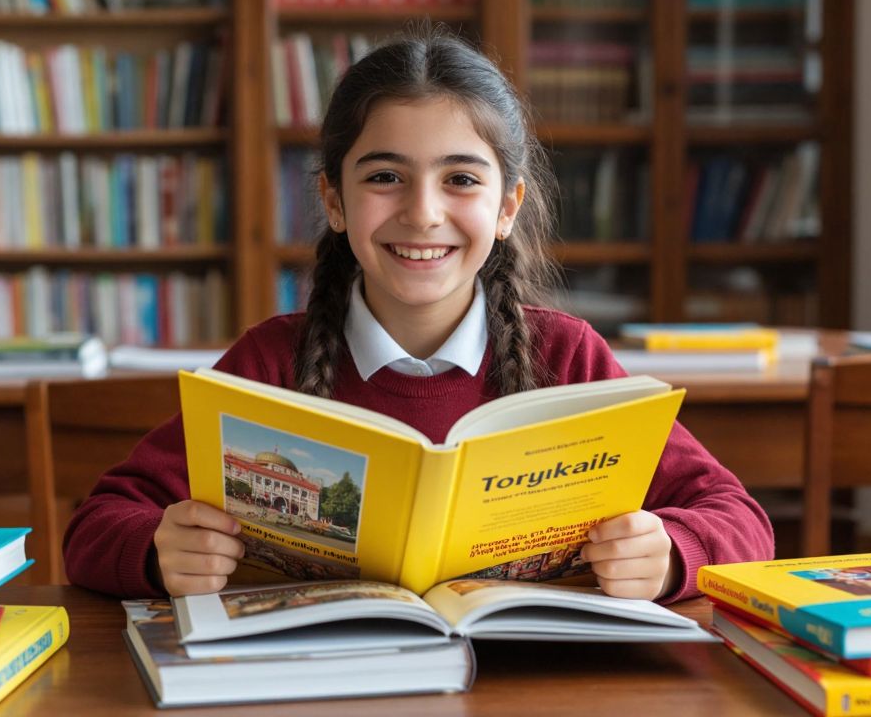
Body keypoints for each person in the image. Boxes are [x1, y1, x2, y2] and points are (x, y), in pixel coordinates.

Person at [63, 30, 774, 604]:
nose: (423, 212)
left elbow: (740, 521)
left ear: (506, 208)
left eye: (460, 179)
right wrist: (159, 550)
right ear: (335, 201)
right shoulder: (266, 365)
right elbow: (95, 527)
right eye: (383, 177)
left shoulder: (570, 358)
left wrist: (670, 553)